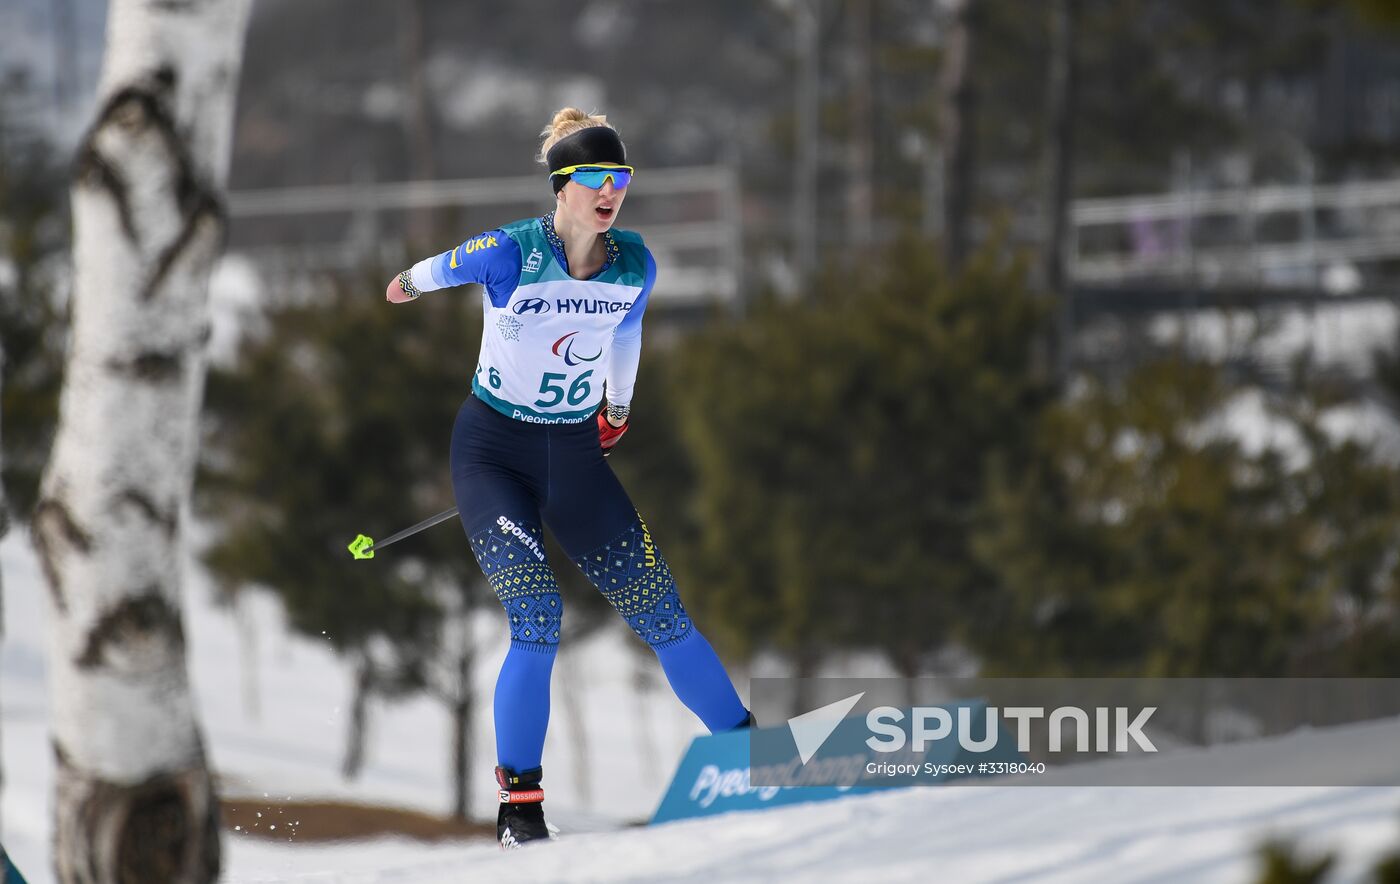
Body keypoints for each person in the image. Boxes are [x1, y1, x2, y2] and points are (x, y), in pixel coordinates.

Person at [385, 108, 753, 848]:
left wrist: (618, 405)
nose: (612, 192)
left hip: (574, 457)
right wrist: (407, 284)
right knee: (537, 616)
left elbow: (628, 330)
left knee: (662, 614)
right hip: (491, 454)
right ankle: (520, 807)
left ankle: (751, 757)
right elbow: (429, 272)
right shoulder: (511, 252)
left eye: (622, 180)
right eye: (597, 179)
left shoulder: (634, 262)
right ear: (562, 186)